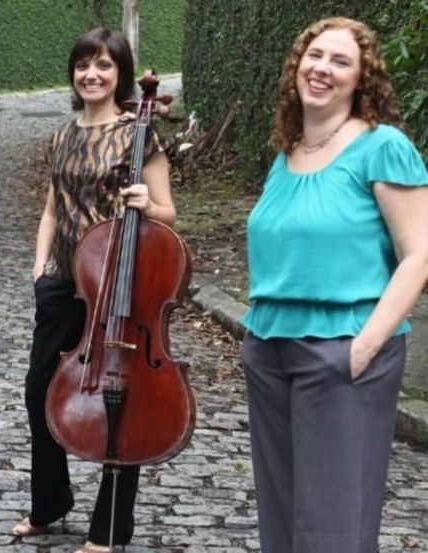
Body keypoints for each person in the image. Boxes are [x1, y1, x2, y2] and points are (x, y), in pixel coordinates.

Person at [240, 17, 428, 553]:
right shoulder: (287, 151)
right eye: (314, 56)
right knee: (280, 521)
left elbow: (419, 254)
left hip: (343, 350)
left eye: (340, 61)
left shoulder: (382, 146)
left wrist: (364, 346)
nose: (322, 69)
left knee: (333, 531)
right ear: (296, 65)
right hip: (270, 347)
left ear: (362, 79)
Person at [15, 28, 177, 553]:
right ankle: (50, 502)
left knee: (119, 400)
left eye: (104, 66)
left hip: (122, 286)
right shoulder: (62, 136)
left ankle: (109, 528)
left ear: (120, 75)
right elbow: (52, 208)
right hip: (65, 283)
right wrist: (41, 266)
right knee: (40, 391)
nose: (92, 74)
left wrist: (146, 207)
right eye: (84, 64)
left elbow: (168, 212)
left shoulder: (139, 135)